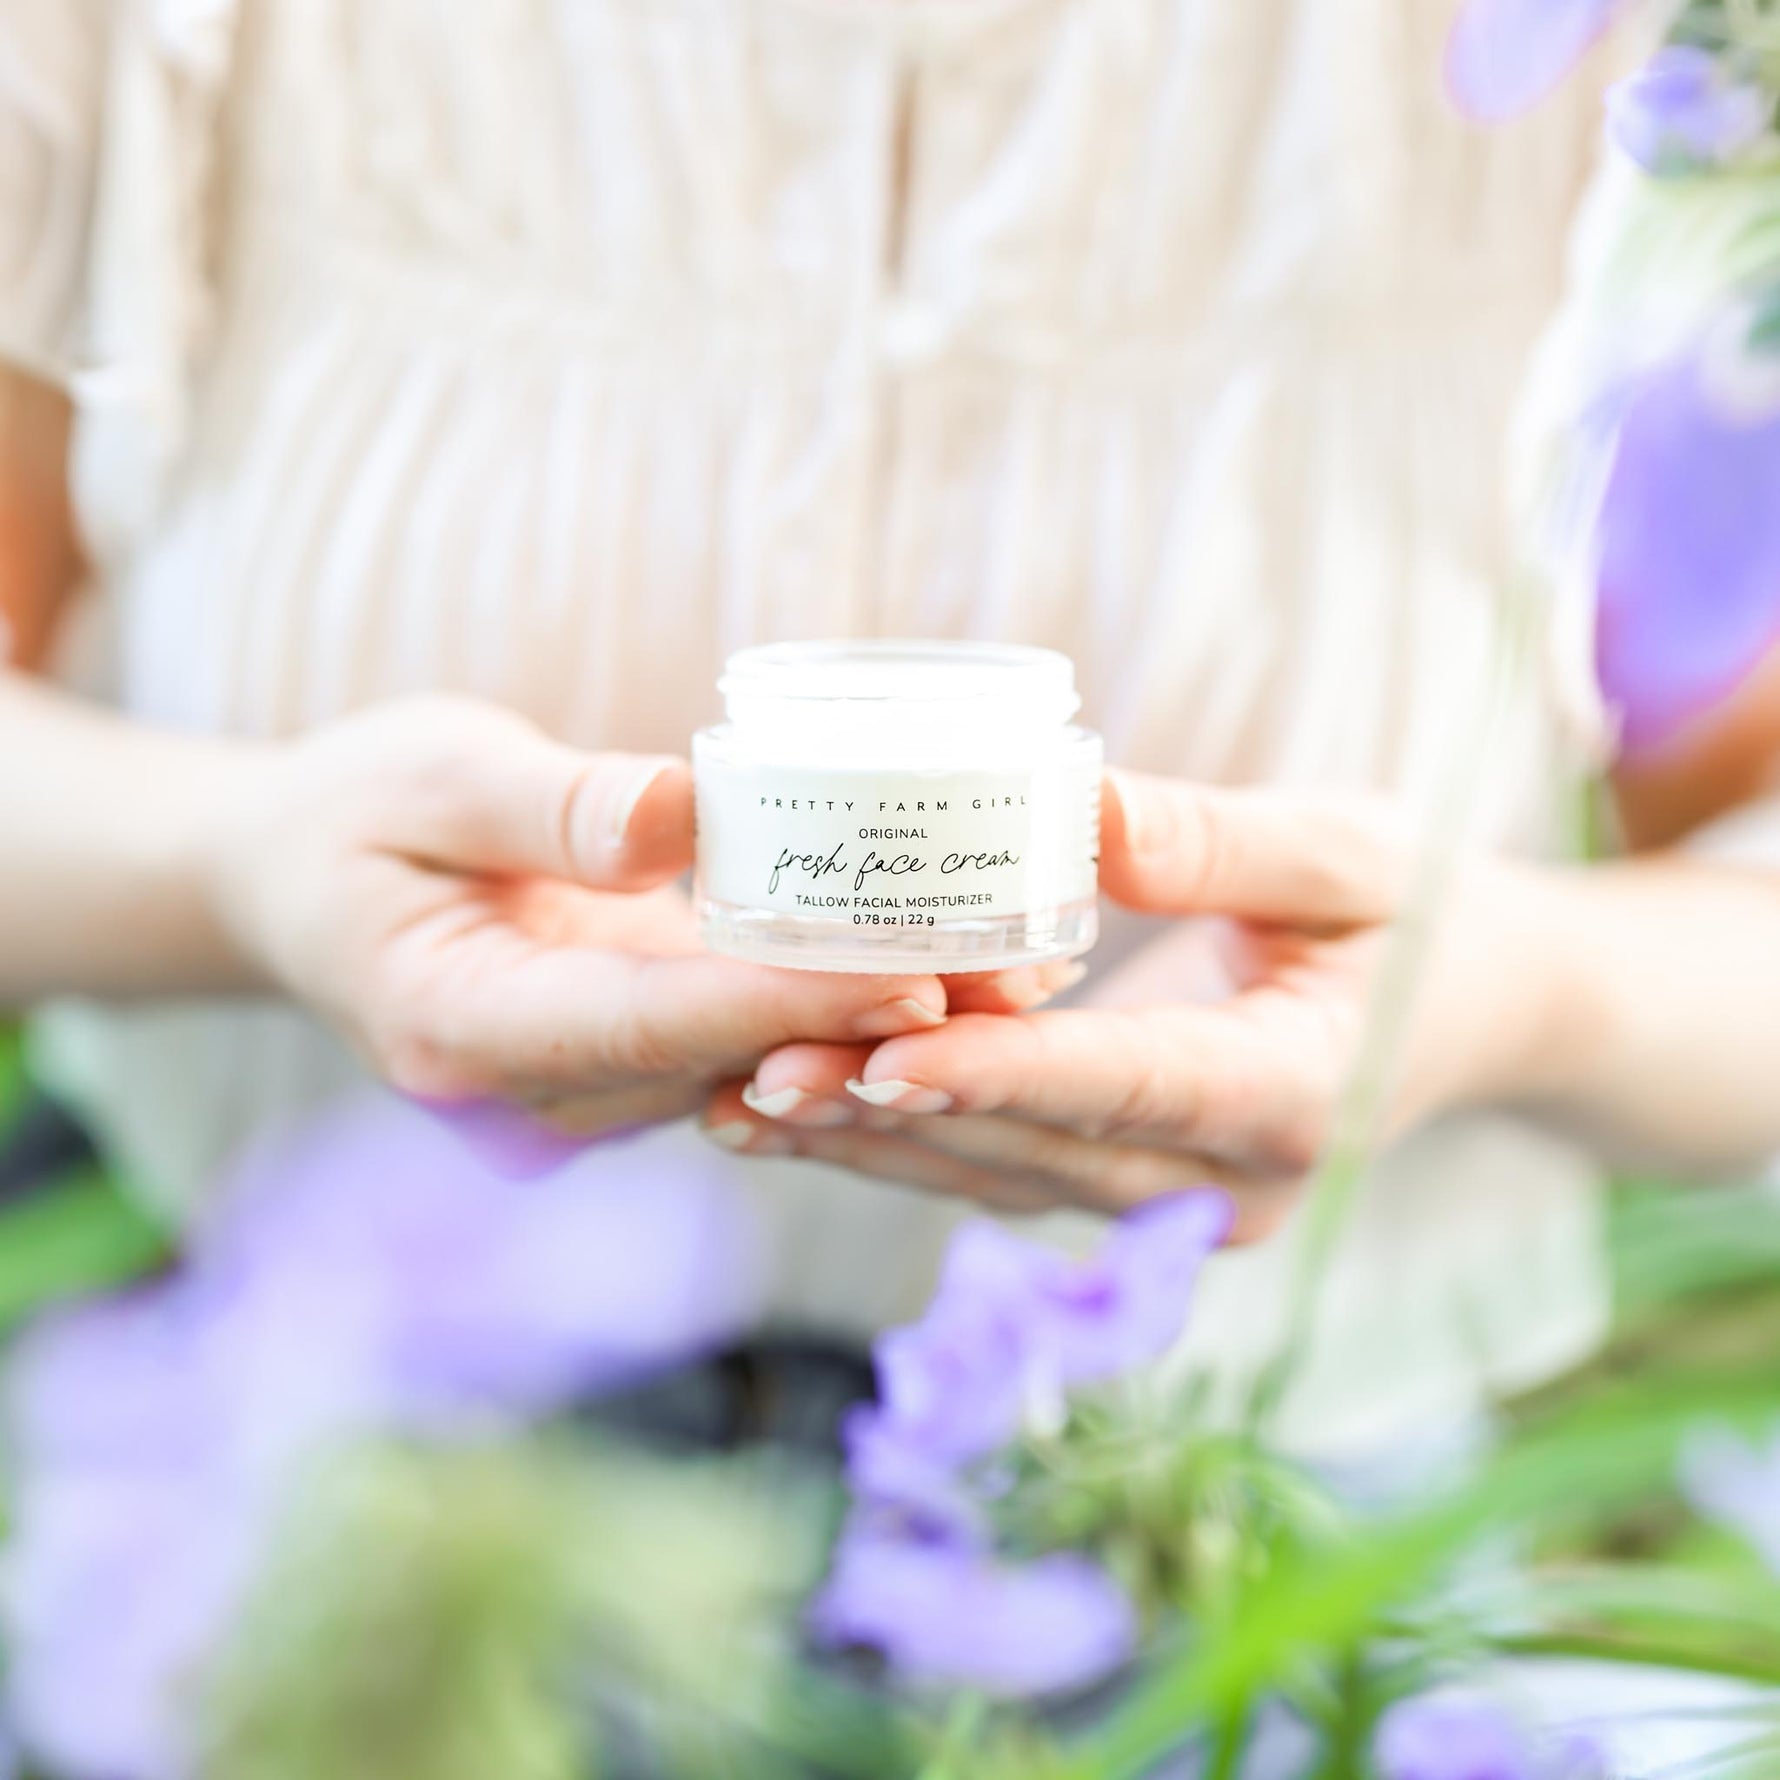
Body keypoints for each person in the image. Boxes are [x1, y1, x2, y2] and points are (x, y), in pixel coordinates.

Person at [3, 0, 1779, 1462]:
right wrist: (237, 869)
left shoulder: (1652, 68)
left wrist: (1517, 984)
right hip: (283, 1433)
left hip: (1231, 1504)